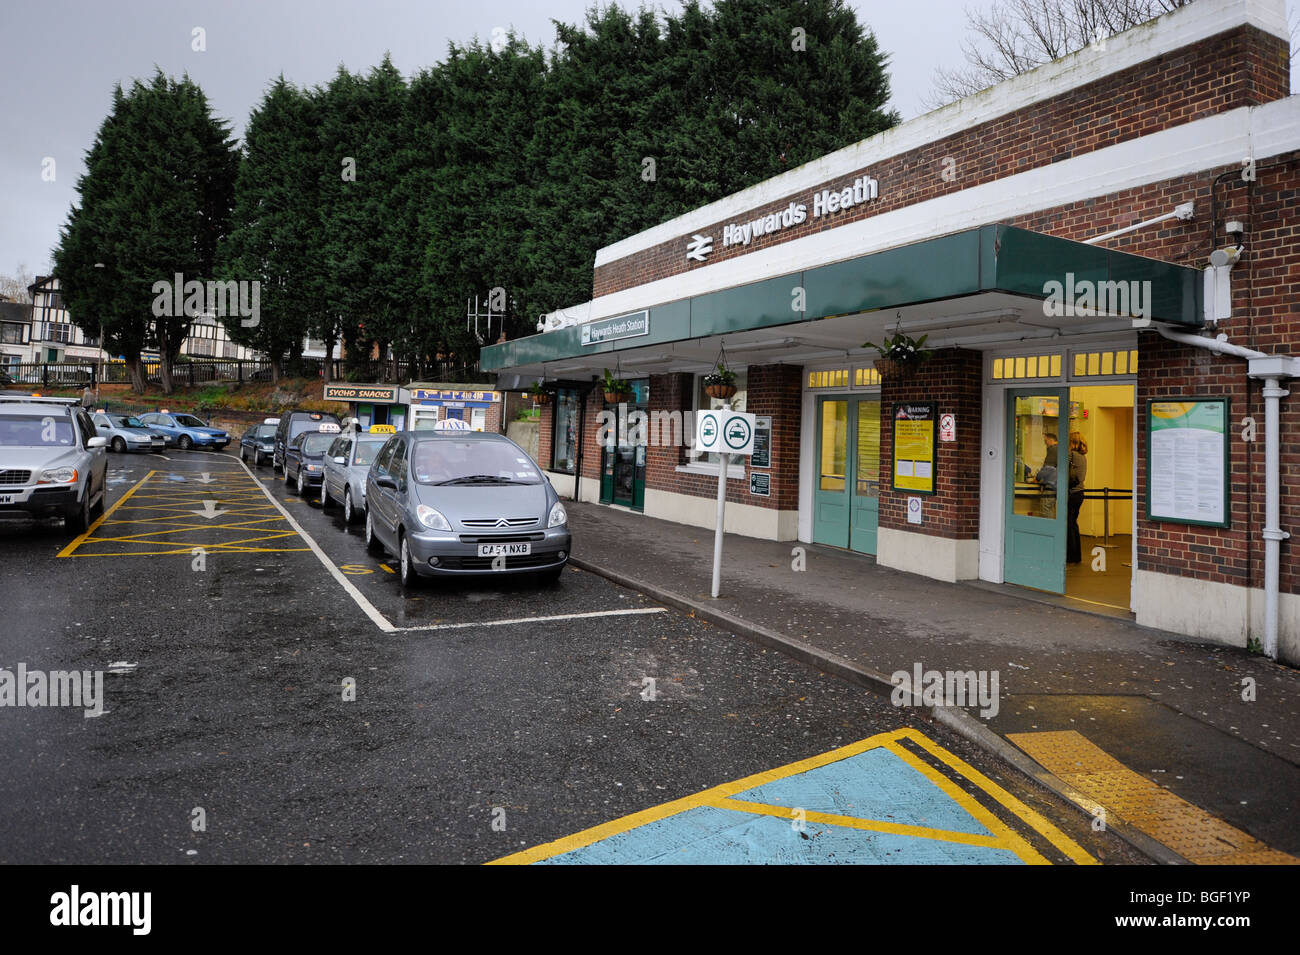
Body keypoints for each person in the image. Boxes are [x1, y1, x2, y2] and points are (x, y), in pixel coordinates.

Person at [1067, 431, 1088, 564]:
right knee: (1073, 524)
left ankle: (1069, 555)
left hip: (1071, 492)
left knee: (1068, 524)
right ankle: (1076, 556)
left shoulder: (1071, 455)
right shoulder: (1082, 457)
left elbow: (1060, 469)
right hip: (1080, 493)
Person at [1034, 432, 1059, 518]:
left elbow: (1048, 468)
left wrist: (1037, 477)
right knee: (1050, 508)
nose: (1045, 444)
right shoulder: (1060, 449)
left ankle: (1049, 530)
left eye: (1046, 441)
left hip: (1052, 485)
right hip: (1057, 484)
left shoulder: (1053, 449)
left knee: (1045, 508)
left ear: (1050, 440)